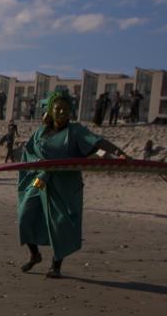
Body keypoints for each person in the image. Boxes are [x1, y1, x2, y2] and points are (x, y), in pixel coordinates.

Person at [17, 90, 129, 278]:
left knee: (61, 223)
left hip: (65, 182)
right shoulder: (40, 132)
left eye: (66, 109)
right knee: (25, 214)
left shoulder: (75, 130)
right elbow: (28, 152)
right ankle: (35, 255)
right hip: (41, 179)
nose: (62, 113)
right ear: (51, 110)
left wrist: (120, 154)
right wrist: (36, 162)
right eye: (58, 108)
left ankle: (56, 264)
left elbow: (99, 142)